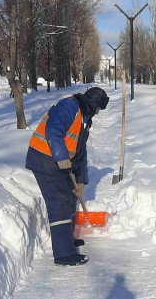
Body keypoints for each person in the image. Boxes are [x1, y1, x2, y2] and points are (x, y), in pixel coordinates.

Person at [26, 86, 109, 266]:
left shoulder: (83, 118)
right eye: (98, 109)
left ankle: (67, 240)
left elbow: (80, 153)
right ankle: (63, 254)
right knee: (60, 201)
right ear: (94, 103)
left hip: (58, 161)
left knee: (70, 197)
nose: (97, 113)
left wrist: (80, 181)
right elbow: (53, 131)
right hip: (44, 159)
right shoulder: (69, 106)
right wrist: (62, 158)